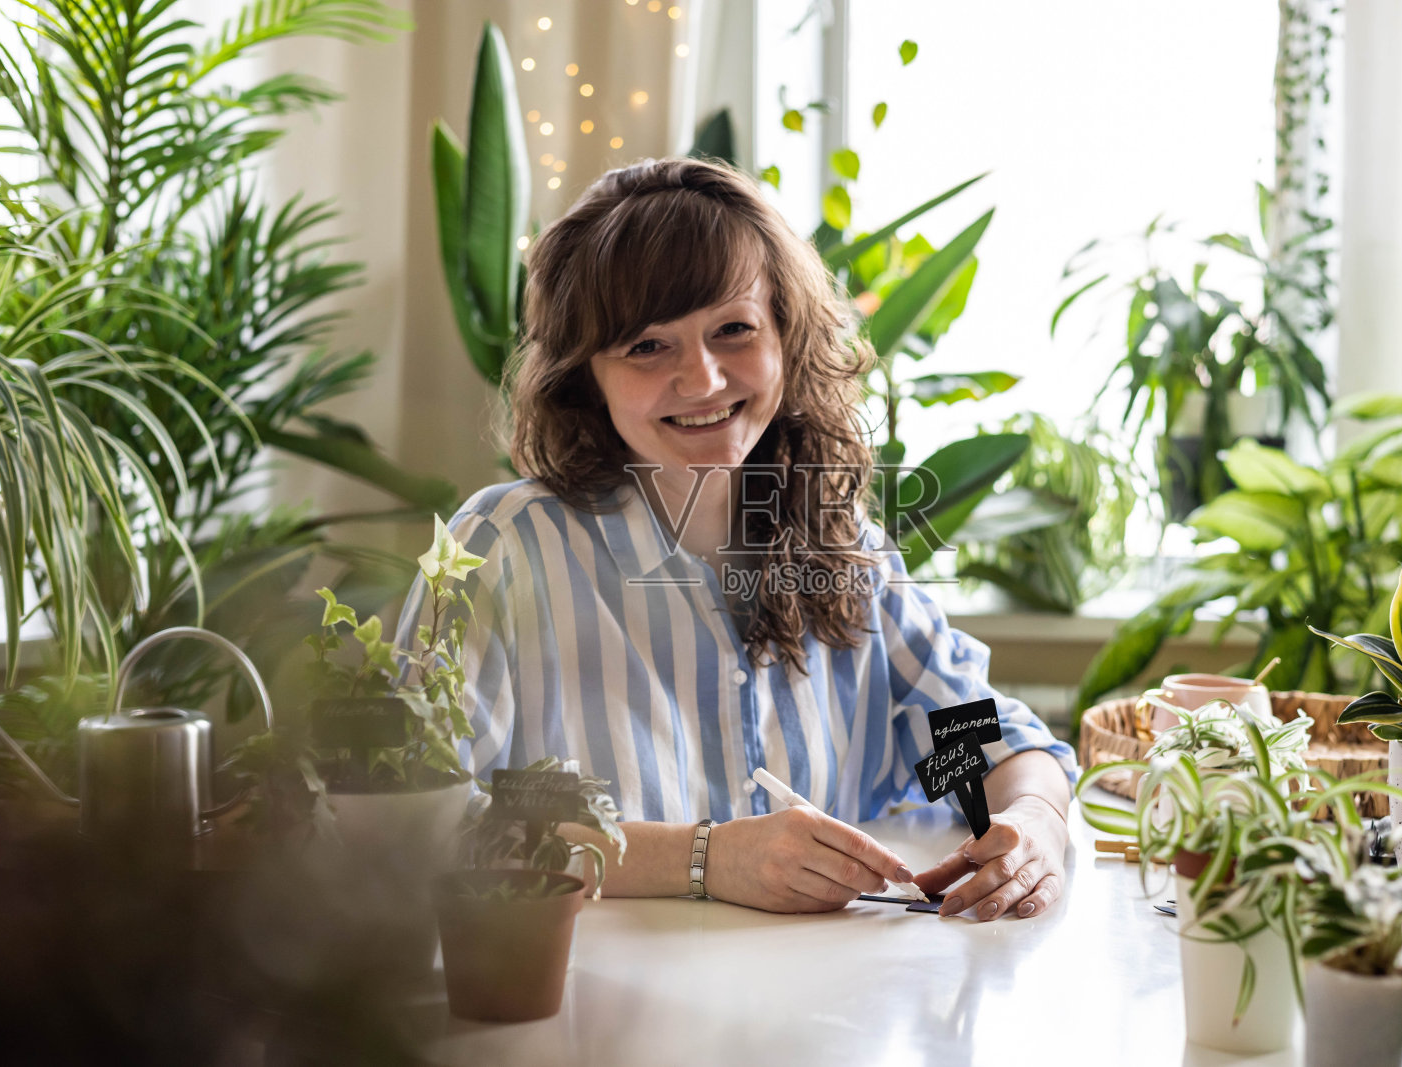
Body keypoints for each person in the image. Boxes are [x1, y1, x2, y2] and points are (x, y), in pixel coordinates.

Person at [401, 157, 1076, 922]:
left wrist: (1033, 824)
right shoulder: (499, 550)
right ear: (586, 374)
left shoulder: (843, 544)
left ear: (785, 335)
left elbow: (967, 738)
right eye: (648, 347)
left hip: (827, 1025)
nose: (705, 379)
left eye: (733, 330)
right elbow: (416, 820)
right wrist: (704, 857)